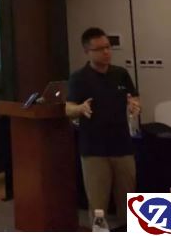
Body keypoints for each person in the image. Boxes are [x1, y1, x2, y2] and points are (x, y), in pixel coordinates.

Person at [66, 27, 141, 226]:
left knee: (129, 201)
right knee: (98, 206)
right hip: (94, 150)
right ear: (87, 52)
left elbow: (134, 98)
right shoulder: (79, 77)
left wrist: (134, 105)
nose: (106, 52)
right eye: (99, 49)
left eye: (108, 47)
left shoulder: (120, 73)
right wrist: (80, 108)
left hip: (122, 146)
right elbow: (68, 108)